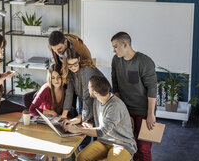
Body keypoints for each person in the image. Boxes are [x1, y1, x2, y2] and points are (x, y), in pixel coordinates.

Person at [62, 75, 137, 161]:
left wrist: (77, 130)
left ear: (95, 93)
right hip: (104, 141)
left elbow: (101, 131)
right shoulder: (96, 100)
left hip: (122, 144)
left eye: (89, 87)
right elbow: (86, 115)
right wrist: (72, 121)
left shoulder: (115, 106)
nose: (87, 88)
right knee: (81, 158)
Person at [111, 32, 157, 161]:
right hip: (126, 111)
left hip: (143, 111)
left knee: (144, 148)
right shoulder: (116, 60)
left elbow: (152, 88)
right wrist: (119, 108)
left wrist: (151, 114)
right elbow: (115, 82)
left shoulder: (144, 62)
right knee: (131, 145)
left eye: (115, 46)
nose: (113, 50)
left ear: (125, 44)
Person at [60, 49, 104, 121]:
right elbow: (69, 92)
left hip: (98, 102)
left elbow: (87, 95)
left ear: (79, 59)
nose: (73, 67)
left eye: (75, 64)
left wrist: (84, 118)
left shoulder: (86, 70)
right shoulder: (70, 72)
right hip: (85, 102)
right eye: (70, 65)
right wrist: (64, 114)